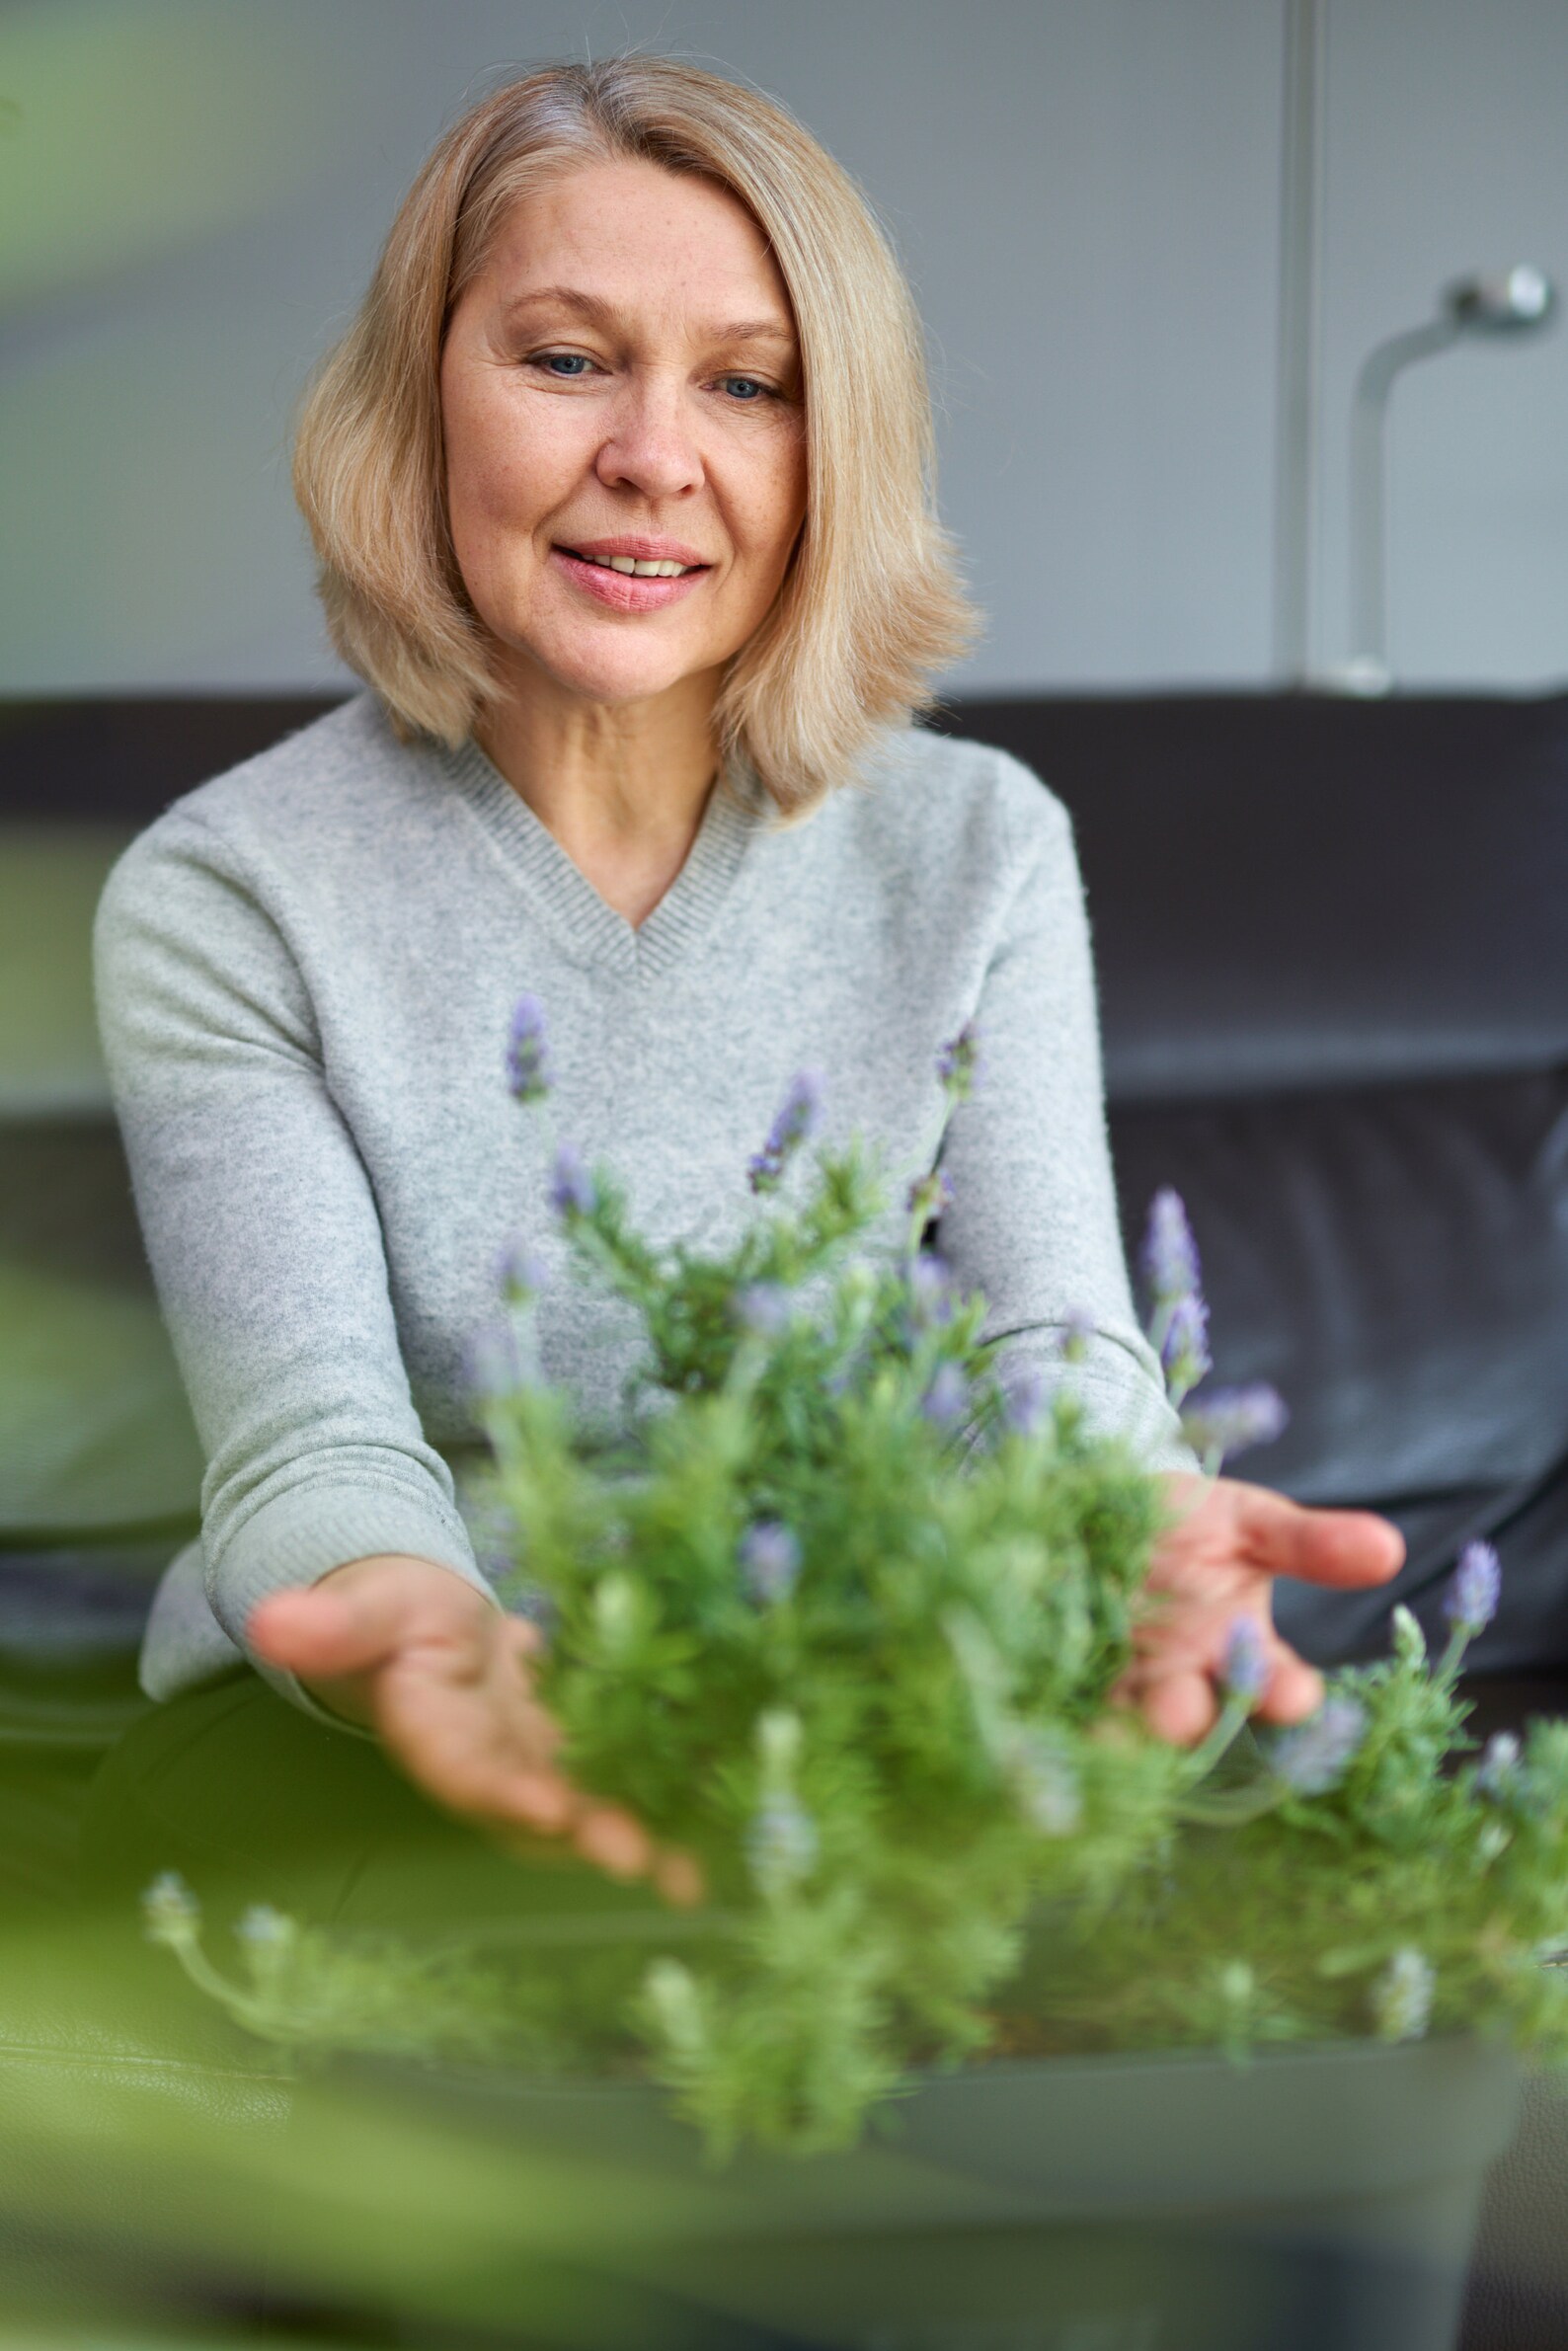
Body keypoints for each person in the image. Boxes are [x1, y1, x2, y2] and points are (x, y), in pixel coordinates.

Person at [91, 59, 1401, 1911]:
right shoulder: (228, 891)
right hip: (404, 1709)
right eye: (564, 359)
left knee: (1222, 1799)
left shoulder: (979, 848)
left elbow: (1044, 1351)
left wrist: (1130, 1520)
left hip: (857, 1667)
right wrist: (419, 1646)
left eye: (748, 383)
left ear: (826, 452)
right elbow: (314, 1436)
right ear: (422, 402)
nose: (653, 453)